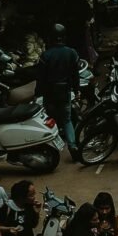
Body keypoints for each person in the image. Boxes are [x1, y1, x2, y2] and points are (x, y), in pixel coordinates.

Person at [37, 23, 82, 162]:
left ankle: (51, 149)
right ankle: (73, 145)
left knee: (50, 120)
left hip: (50, 93)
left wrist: (38, 93)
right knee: (67, 119)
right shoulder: (72, 53)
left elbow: (41, 77)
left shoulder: (46, 55)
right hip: (65, 92)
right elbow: (75, 75)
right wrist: (77, 89)